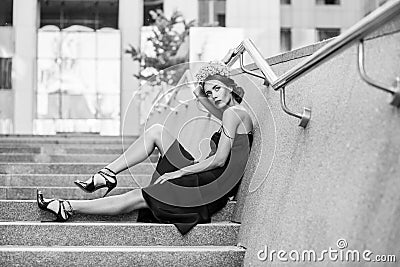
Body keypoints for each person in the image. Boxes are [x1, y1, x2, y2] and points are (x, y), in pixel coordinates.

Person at [37, 61, 254, 235]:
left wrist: (179, 171)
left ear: (229, 86)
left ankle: (67, 206)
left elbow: (219, 160)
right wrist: (206, 81)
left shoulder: (232, 114)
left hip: (210, 184)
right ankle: (107, 174)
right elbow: (199, 95)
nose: (213, 96)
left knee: (137, 196)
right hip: (206, 175)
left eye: (217, 89)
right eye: (210, 92)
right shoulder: (233, 112)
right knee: (156, 131)